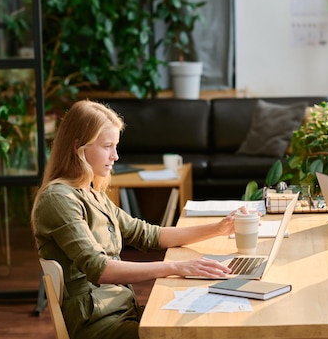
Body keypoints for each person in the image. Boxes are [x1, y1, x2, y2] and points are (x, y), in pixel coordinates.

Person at [31, 100, 244, 339]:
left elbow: (149, 234)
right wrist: (175, 267)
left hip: (122, 312)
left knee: (208, 319)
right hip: (100, 325)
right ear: (78, 147)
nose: (115, 156)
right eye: (107, 146)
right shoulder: (58, 199)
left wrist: (218, 227)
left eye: (116, 146)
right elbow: (100, 269)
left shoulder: (92, 194)